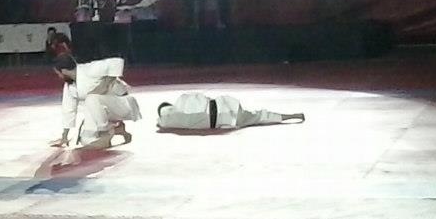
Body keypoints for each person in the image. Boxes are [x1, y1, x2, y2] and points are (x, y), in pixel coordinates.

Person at [52, 53, 141, 149]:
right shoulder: (70, 87)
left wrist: (104, 86)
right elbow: (68, 111)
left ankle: (105, 134)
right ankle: (116, 129)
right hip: (102, 110)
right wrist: (64, 137)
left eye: (58, 73)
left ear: (64, 71)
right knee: (86, 140)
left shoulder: (89, 69)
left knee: (91, 98)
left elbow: (117, 62)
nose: (59, 76)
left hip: (123, 104)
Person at [157, 92, 305, 130]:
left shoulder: (168, 119)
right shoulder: (179, 104)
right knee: (258, 116)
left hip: (219, 117)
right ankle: (288, 116)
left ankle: (288, 116)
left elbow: (162, 119)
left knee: (258, 117)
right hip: (223, 110)